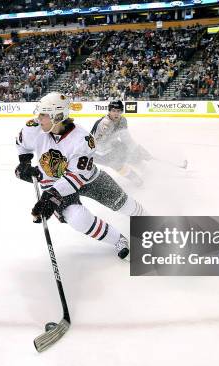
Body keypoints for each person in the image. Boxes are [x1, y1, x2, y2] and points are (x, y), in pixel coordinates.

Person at [14, 92, 146, 261]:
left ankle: (150, 222)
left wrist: (51, 197)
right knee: (78, 219)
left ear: (58, 116)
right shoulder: (34, 127)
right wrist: (24, 162)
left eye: (44, 114)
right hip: (53, 183)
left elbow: (77, 176)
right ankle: (119, 240)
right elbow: (22, 144)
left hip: (87, 179)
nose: (39, 118)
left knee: (124, 204)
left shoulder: (82, 139)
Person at [90, 100, 151, 186]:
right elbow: (97, 144)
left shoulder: (122, 120)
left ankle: (142, 168)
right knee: (117, 163)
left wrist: (139, 150)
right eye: (113, 111)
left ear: (122, 111)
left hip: (112, 144)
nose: (116, 113)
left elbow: (126, 139)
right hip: (99, 153)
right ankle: (135, 179)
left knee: (128, 153)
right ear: (109, 111)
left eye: (118, 111)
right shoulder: (104, 124)